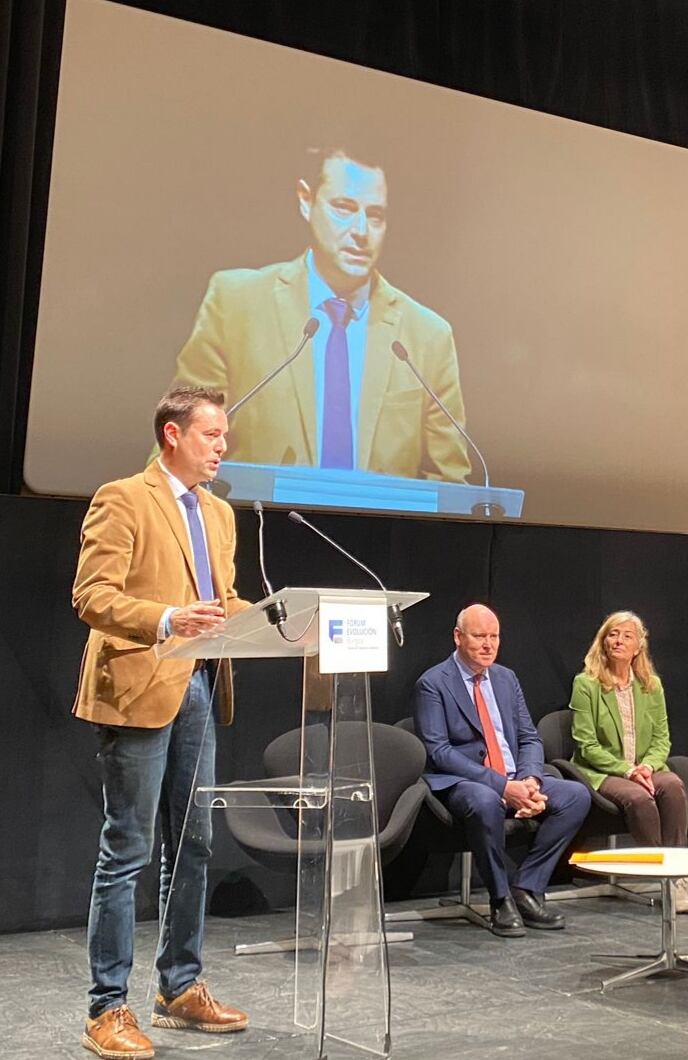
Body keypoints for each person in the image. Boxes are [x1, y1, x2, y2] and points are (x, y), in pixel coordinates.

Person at [73, 386, 251, 1059]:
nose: (221, 448)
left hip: (200, 686)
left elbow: (221, 599)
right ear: (172, 435)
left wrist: (278, 621)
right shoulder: (123, 497)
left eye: (224, 438)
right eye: (211, 436)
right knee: (128, 849)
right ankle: (107, 1007)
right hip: (140, 683)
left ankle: (179, 985)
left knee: (195, 844)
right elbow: (92, 595)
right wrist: (167, 618)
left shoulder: (220, 514)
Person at [166, 143, 471, 482]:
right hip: (253, 526)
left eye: (375, 216)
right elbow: (180, 443)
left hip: (379, 532)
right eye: (344, 207)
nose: (360, 231)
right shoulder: (236, 302)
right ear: (305, 201)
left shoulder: (428, 335)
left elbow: (450, 482)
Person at [414, 604, 591, 938]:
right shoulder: (433, 683)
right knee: (485, 801)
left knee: (575, 796)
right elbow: (439, 751)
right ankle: (500, 900)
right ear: (458, 637)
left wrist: (530, 780)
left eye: (494, 636)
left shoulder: (506, 678)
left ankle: (527, 887)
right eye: (480, 636)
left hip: (515, 777)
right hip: (465, 780)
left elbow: (528, 737)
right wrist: (502, 787)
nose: (488, 644)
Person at [567, 611, 688, 913]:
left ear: (638, 647)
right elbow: (586, 745)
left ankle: (678, 872)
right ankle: (669, 881)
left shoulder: (651, 685)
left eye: (626, 635)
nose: (618, 640)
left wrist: (646, 766)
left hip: (644, 767)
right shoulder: (586, 684)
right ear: (603, 641)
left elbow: (662, 739)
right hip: (602, 770)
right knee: (639, 797)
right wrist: (629, 770)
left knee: (672, 784)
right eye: (612, 634)